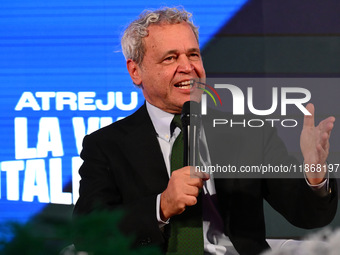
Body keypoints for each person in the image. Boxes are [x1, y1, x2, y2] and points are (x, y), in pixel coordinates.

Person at [73, 7, 338, 255]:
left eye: (193, 54)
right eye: (170, 58)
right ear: (135, 71)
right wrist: (162, 205)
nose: (188, 67)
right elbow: (89, 233)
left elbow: (309, 215)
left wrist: (315, 175)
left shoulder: (248, 133)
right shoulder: (106, 145)